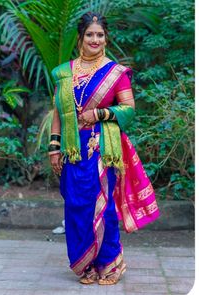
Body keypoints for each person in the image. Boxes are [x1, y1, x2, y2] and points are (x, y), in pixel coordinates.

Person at [48, 12, 160, 285]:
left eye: (100, 34)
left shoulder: (115, 73)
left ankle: (109, 263)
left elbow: (129, 110)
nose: (95, 39)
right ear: (80, 38)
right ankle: (85, 265)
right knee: (76, 205)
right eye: (90, 34)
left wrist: (99, 115)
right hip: (73, 149)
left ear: (105, 38)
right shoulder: (64, 73)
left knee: (104, 206)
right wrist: (53, 147)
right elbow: (58, 112)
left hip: (102, 148)